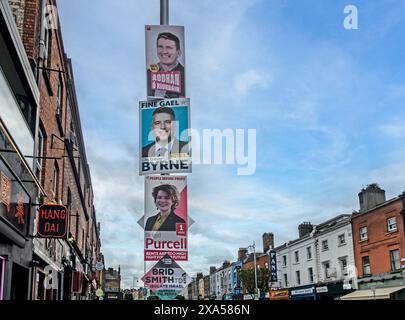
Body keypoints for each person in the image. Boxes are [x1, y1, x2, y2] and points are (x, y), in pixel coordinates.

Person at [147, 32, 185, 98]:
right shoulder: (148, 73)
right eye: (160, 47)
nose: (164, 51)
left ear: (178, 53)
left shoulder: (184, 74)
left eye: (169, 47)